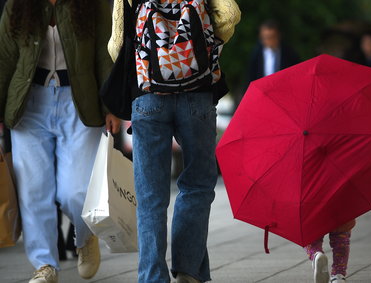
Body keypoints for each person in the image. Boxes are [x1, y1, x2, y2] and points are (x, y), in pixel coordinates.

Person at [108, 0, 240, 282]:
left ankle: (153, 277)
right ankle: (188, 271)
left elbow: (116, 44)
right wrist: (201, 46)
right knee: (197, 185)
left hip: (148, 96)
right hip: (197, 91)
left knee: (150, 196)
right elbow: (231, 14)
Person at [0, 0, 120, 282]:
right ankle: (45, 265)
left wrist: (111, 107)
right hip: (28, 104)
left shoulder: (93, 5)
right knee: (33, 191)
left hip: (80, 102)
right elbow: (4, 59)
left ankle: (84, 236)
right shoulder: (17, 5)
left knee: (76, 191)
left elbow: (105, 54)